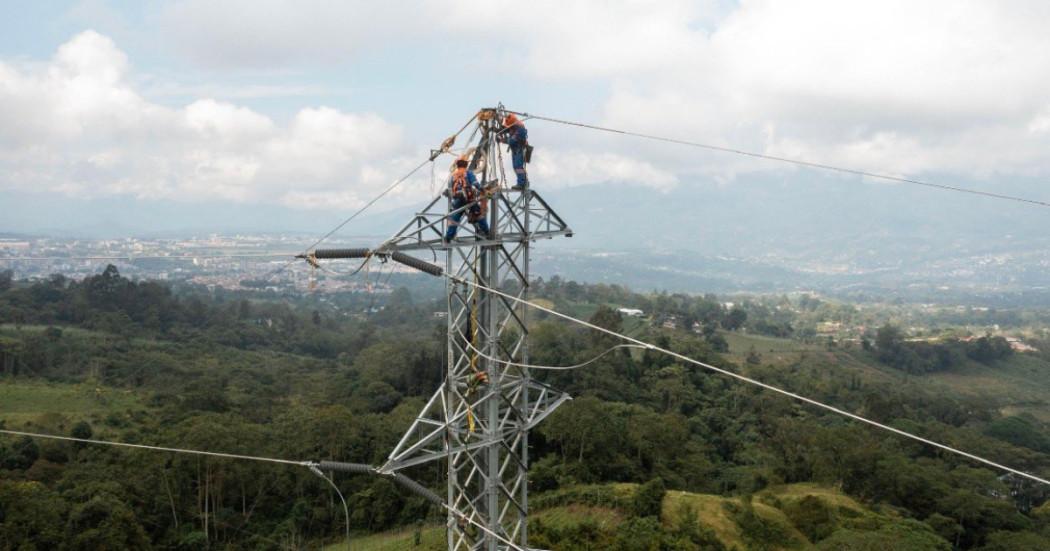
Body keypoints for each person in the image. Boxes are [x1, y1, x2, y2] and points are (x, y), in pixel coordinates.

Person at [444, 156, 490, 243]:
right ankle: (487, 232)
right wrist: (483, 190)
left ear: (457, 164)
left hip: (458, 200)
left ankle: (448, 237)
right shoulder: (468, 173)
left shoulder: (453, 175)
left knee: (454, 218)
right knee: (478, 214)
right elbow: (475, 184)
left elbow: (450, 189)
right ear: (466, 164)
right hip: (469, 199)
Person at [499, 114, 529, 189]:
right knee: (516, 167)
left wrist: (503, 140)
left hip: (519, 150)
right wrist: (502, 130)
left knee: (518, 167)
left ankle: (522, 183)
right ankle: (523, 181)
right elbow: (509, 130)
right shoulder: (514, 127)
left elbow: (512, 141)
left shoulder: (520, 129)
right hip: (515, 150)